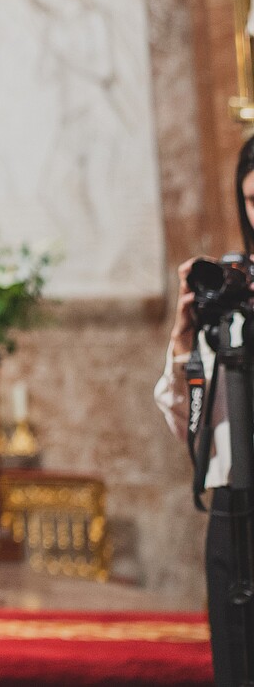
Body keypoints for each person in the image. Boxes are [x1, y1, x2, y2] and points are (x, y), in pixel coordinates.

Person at [153, 135, 254, 687]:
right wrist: (183, 342)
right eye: (253, 200)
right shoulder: (230, 297)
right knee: (235, 666)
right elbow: (189, 428)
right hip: (232, 507)